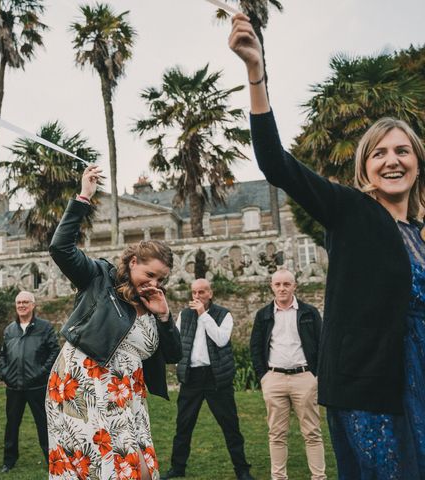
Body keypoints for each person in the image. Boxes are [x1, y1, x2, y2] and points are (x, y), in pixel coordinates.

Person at [230, 15, 425, 478]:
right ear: (365, 167)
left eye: (402, 151)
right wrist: (257, 73)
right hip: (370, 387)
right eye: (379, 152)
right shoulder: (351, 211)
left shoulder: (419, 232)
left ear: (418, 161)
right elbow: (276, 163)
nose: (392, 160)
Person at [46, 165, 182, 480]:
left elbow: (173, 355)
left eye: (160, 279)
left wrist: (164, 316)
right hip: (84, 385)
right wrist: (83, 197)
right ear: (133, 262)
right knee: (100, 471)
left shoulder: (153, 305)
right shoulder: (99, 277)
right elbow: (60, 248)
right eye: (149, 275)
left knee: (141, 471)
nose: (154, 283)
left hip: (128, 394)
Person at [162, 278, 254, 480]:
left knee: (231, 426)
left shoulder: (223, 314)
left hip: (216, 378)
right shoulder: (185, 315)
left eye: (202, 292)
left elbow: (221, 339)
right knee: (183, 426)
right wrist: (181, 366)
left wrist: (203, 315)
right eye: (194, 292)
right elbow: (179, 343)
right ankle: (177, 468)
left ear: (210, 293)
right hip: (192, 378)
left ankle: (242, 470)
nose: (197, 296)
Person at [250, 269, 325, 480]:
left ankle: (319, 477)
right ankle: (279, 477)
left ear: (294, 286)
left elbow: (322, 345)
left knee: (312, 432)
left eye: (286, 284)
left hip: (305, 378)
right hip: (274, 379)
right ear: (272, 287)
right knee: (276, 435)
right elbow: (255, 347)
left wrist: (315, 375)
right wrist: (263, 377)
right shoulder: (263, 314)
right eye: (278, 284)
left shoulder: (309, 312)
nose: (282, 288)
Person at [0, 290, 60, 474]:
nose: (22, 305)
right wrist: (4, 373)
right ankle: (9, 461)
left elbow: (54, 352)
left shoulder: (45, 327)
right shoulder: (10, 330)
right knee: (12, 425)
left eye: (26, 302)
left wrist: (41, 372)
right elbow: (3, 354)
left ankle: (52, 461)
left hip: (37, 386)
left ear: (33, 305)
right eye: (19, 303)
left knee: (44, 424)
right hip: (14, 386)